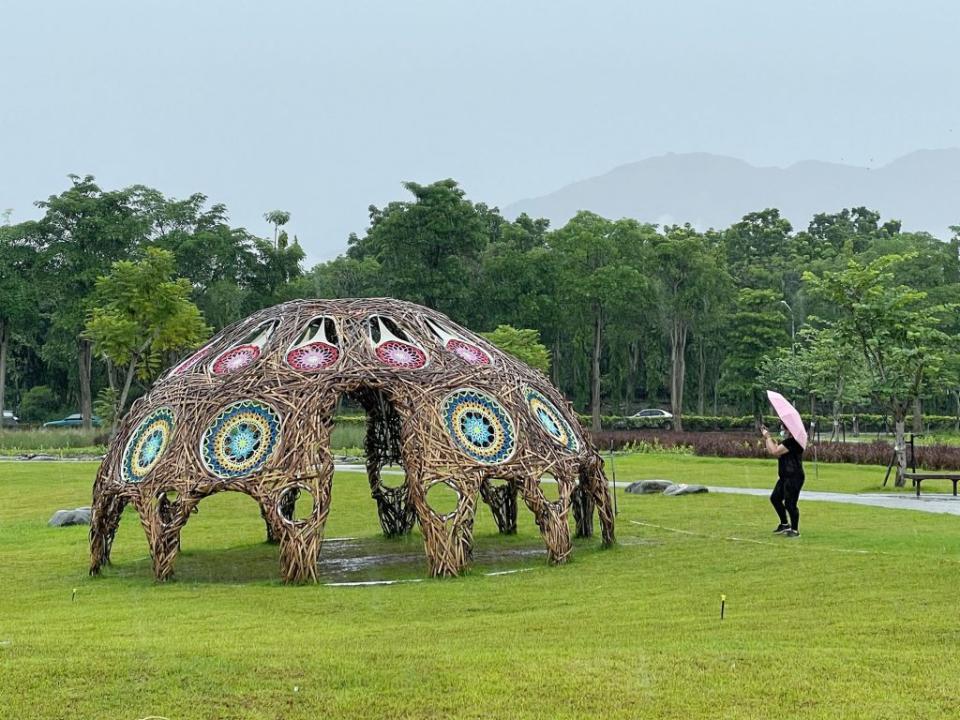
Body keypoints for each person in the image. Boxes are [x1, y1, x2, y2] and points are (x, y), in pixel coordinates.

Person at [760, 424, 805, 537]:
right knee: (775, 498)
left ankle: (795, 530)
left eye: (784, 428)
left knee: (790, 503)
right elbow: (773, 451)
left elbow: (775, 451)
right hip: (785, 476)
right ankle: (784, 524)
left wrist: (768, 437)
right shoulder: (788, 442)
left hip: (794, 476)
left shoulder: (793, 441)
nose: (783, 430)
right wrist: (767, 438)